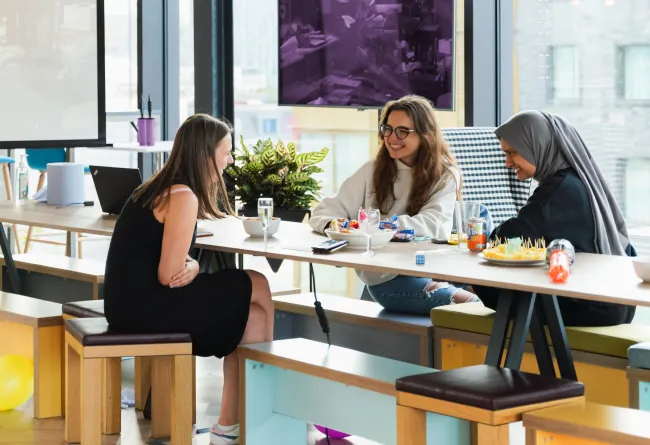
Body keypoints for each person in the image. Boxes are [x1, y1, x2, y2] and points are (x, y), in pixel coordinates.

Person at [104, 114, 272, 445]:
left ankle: (230, 425)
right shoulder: (183, 196)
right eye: (227, 152)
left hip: (127, 303)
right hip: (147, 306)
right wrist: (189, 266)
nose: (230, 160)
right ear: (205, 154)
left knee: (252, 314)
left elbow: (172, 258)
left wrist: (193, 266)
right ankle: (262, 411)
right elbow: (169, 274)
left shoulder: (156, 187)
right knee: (258, 284)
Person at [309, 95, 479, 315]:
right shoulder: (372, 170)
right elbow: (323, 212)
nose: (391, 138)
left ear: (425, 134)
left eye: (402, 131)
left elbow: (433, 225)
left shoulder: (445, 174)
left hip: (436, 269)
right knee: (473, 305)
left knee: (478, 218)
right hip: (390, 279)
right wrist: (344, 226)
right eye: (387, 129)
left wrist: (376, 226)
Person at [475, 110, 636, 326]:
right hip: (611, 301)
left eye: (512, 152)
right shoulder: (577, 178)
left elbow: (506, 237)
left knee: (488, 285)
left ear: (537, 146)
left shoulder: (559, 189)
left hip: (593, 305)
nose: (507, 162)